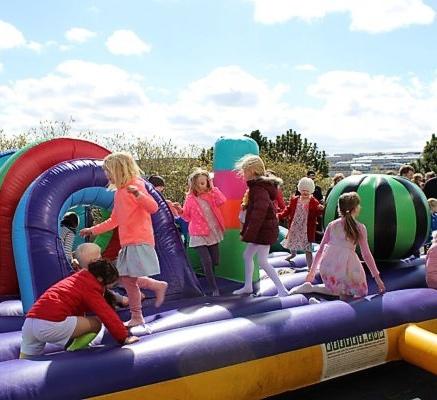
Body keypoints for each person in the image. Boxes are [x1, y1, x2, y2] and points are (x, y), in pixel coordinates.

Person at [80, 152, 168, 328]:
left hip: (139, 239)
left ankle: (138, 315)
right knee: (124, 278)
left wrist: (138, 194)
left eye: (109, 171)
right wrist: (92, 229)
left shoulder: (136, 185)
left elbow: (153, 207)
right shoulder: (119, 193)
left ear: (119, 170)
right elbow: (114, 220)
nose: (107, 175)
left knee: (127, 279)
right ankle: (156, 287)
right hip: (128, 242)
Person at [20, 259, 138, 358]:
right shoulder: (90, 287)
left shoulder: (77, 279)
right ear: (100, 279)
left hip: (29, 323)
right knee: (96, 323)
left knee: (26, 361)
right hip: (49, 325)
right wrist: (123, 337)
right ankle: (74, 351)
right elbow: (106, 314)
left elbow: (76, 312)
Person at [298, 192, 385, 302]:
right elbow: (366, 254)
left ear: (339, 208)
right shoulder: (359, 228)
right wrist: (377, 278)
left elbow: (320, 249)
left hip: (328, 268)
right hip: (345, 268)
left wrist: (312, 272)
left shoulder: (332, 225)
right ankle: (317, 294)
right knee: (360, 292)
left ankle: (313, 290)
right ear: (356, 208)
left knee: (339, 290)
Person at [232, 155, 289, 297]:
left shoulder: (259, 189)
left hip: (264, 231)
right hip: (262, 230)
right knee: (247, 255)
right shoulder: (257, 187)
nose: (243, 174)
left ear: (252, 171)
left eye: (245, 171)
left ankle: (282, 290)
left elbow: (259, 213)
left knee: (263, 261)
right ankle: (248, 286)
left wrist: (249, 233)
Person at [176, 168, 226, 296]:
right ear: (194, 185)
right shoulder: (190, 199)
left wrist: (213, 187)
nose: (202, 186)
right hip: (198, 233)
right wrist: (179, 210)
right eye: (199, 184)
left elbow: (222, 201)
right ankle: (214, 288)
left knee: (215, 261)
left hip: (212, 231)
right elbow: (187, 216)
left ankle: (211, 279)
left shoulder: (212, 194)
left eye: (204, 183)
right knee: (206, 261)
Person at [279, 177, 324, 268]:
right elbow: (288, 209)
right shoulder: (295, 199)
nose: (305, 193)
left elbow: (316, 213)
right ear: (299, 189)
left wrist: (320, 209)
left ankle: (310, 267)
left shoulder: (313, 201)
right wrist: (280, 215)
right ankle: (293, 254)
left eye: (307, 191)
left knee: (308, 249)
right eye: (303, 190)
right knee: (291, 242)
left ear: (311, 191)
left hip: (306, 228)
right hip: (295, 225)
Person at [73, 243, 130, 307]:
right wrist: (122, 299)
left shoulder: (79, 275)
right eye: (100, 259)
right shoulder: (94, 278)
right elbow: (104, 291)